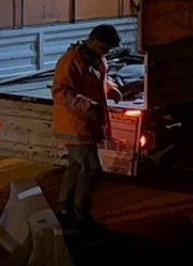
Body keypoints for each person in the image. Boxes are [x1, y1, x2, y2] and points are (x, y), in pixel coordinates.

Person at [52, 24, 120, 231]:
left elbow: (95, 84)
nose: (105, 52)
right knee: (90, 169)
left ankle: (64, 211)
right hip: (75, 126)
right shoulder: (73, 60)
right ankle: (81, 215)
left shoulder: (96, 59)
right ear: (92, 40)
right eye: (103, 48)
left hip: (86, 125)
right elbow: (60, 90)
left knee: (76, 167)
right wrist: (86, 105)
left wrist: (112, 90)